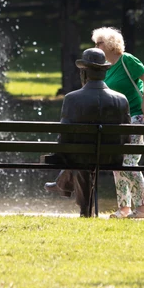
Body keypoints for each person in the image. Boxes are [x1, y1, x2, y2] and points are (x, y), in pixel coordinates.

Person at [46, 48, 130, 217]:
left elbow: (65, 135)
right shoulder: (121, 99)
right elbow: (126, 136)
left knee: (79, 158)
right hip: (112, 157)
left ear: (84, 73)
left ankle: (81, 206)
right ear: (104, 72)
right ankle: (66, 186)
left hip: (81, 156)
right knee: (82, 156)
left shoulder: (72, 98)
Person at [92, 27, 144, 219]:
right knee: (118, 163)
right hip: (118, 122)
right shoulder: (106, 67)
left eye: (99, 43)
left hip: (135, 117)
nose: (95, 47)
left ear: (110, 44)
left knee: (128, 163)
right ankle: (124, 208)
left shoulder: (127, 60)